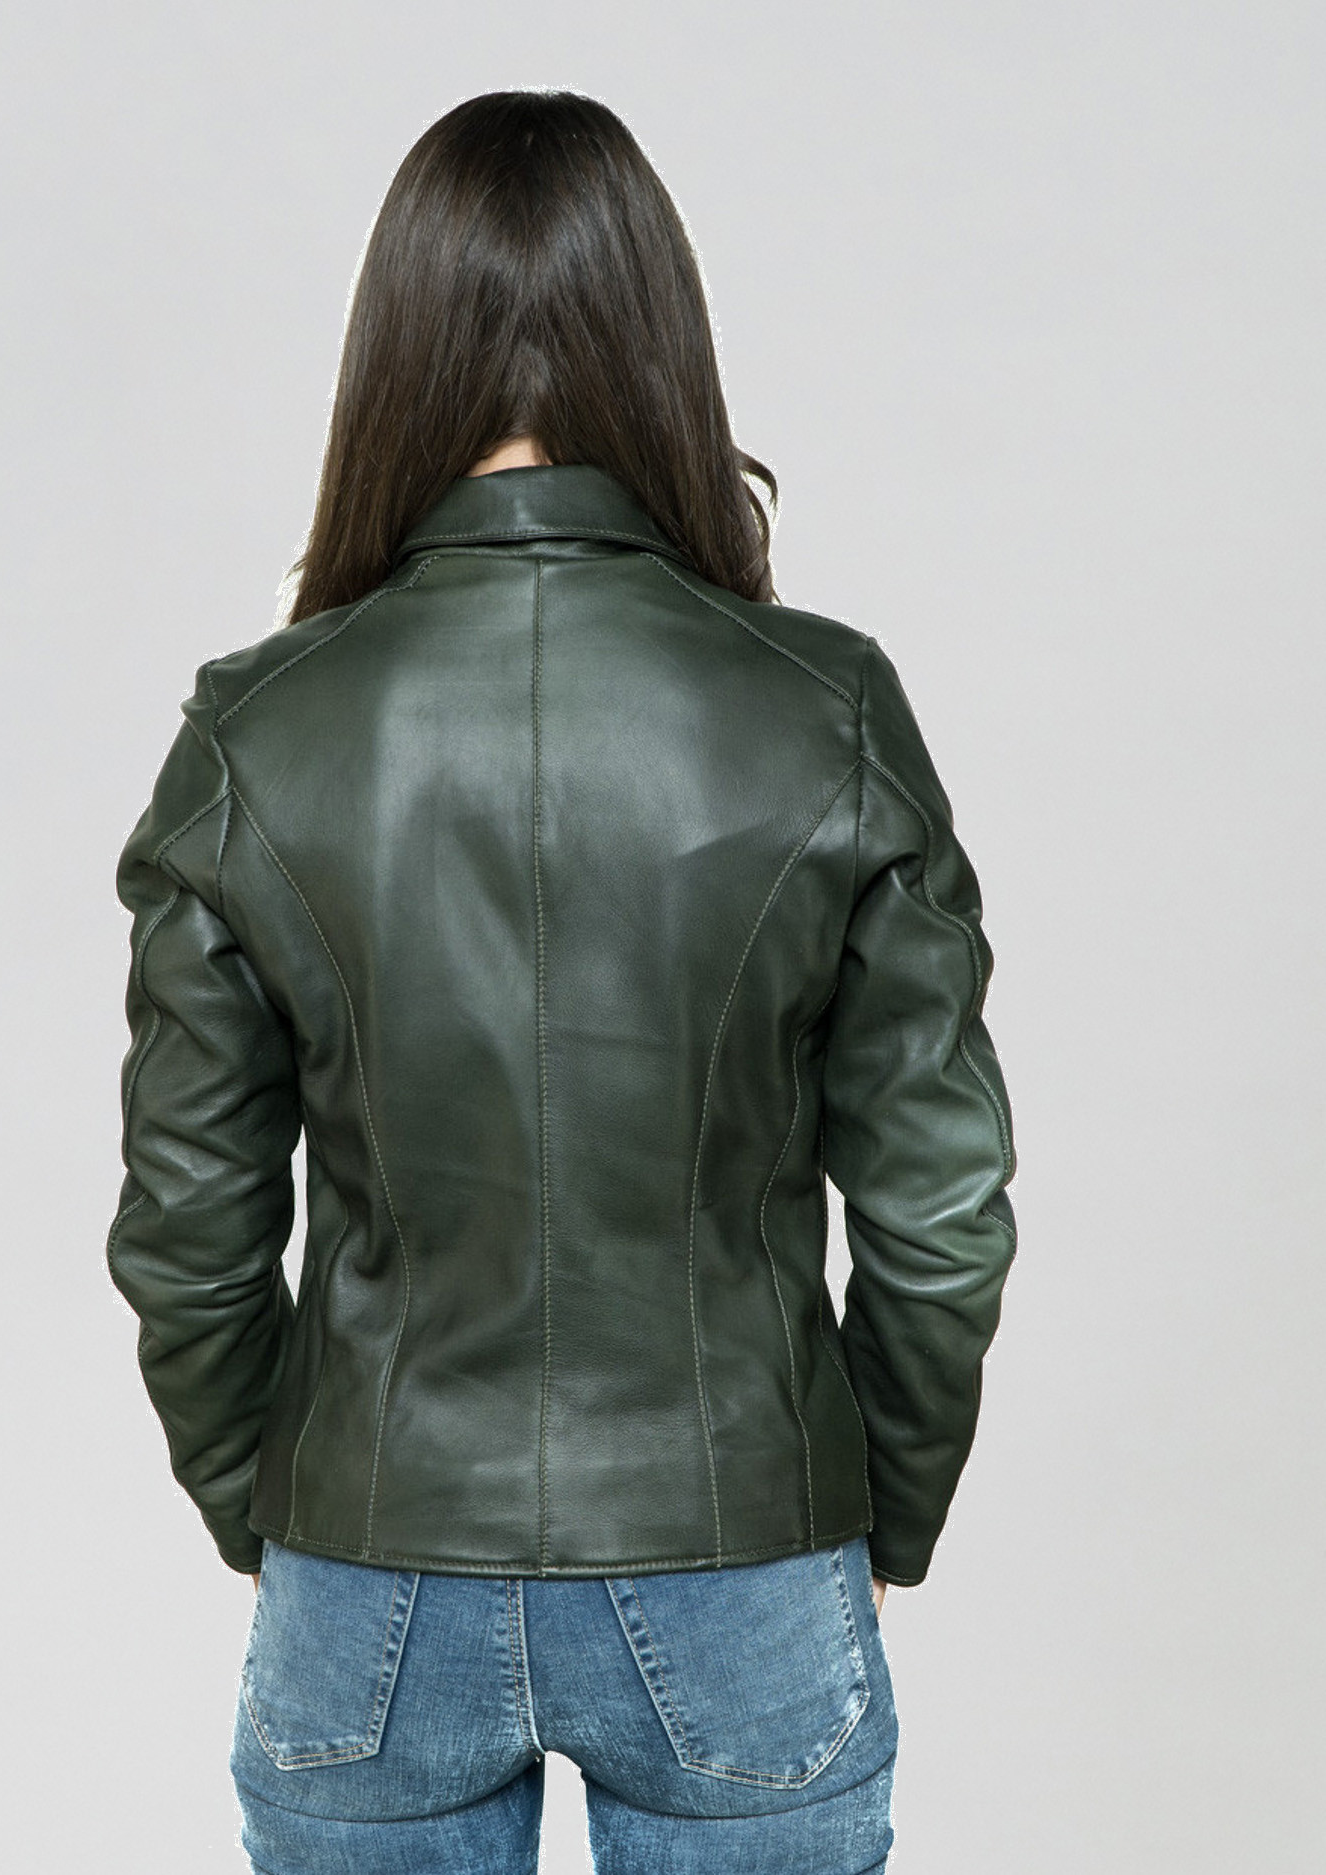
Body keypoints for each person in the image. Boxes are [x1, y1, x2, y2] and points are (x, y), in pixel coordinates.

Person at [105, 87, 1019, 1875]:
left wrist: (290, 1511)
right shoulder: (825, 712)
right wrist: (869, 1519)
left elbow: (186, 1232)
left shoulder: (256, 736)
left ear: (393, 359)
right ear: (662, 348)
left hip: (371, 1572)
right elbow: (942, 1216)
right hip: (743, 1556)